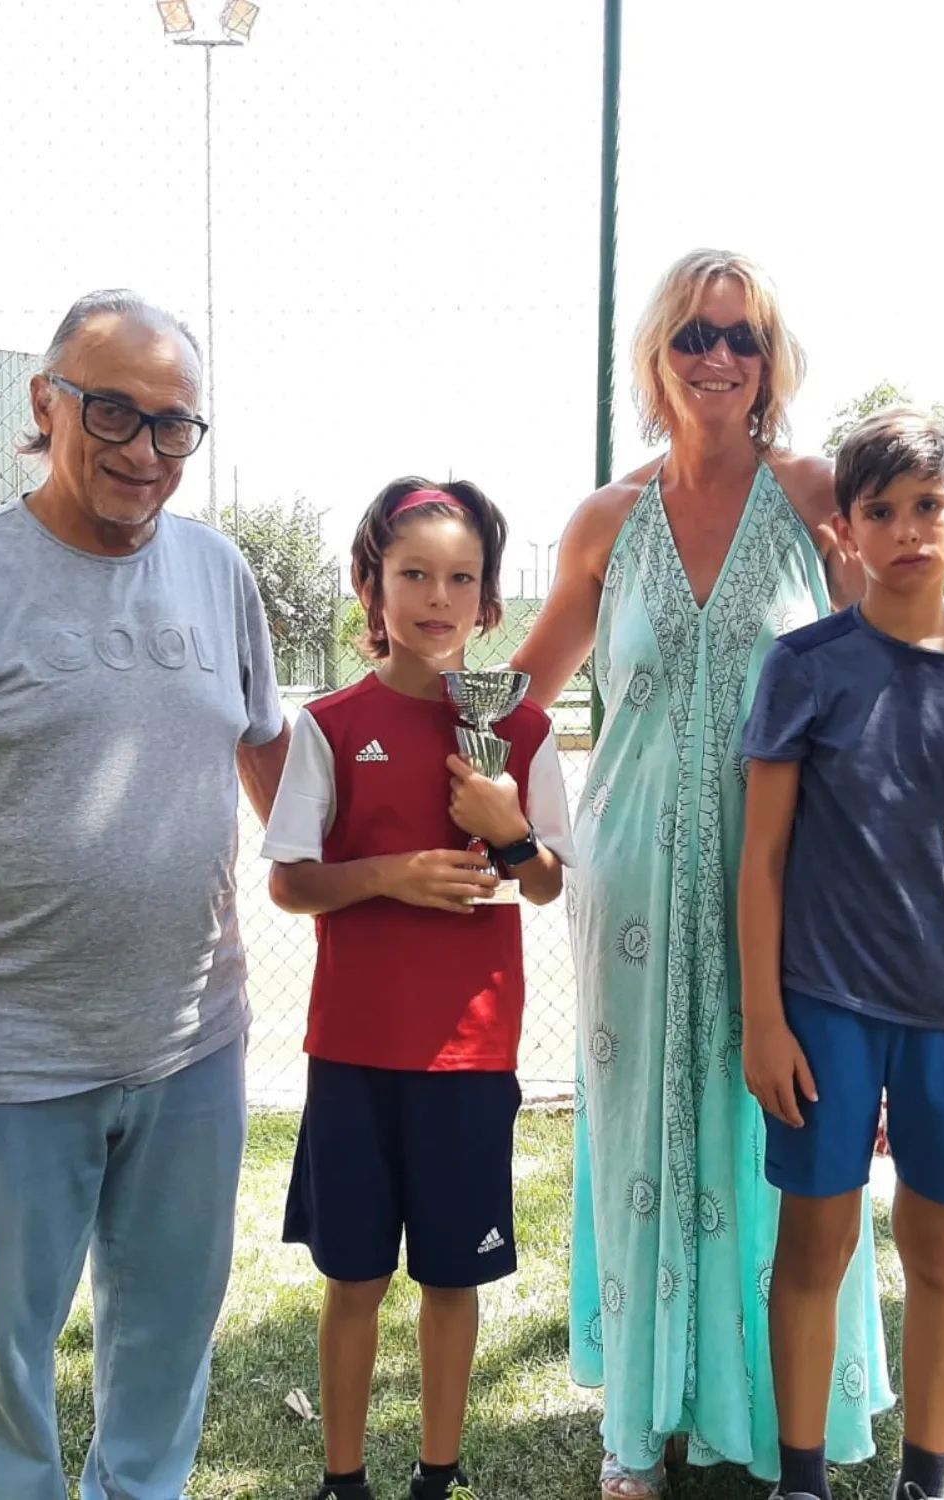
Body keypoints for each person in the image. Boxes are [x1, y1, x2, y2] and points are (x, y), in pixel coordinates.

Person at [513, 248, 891, 1495]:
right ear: (656, 356)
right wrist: (410, 716)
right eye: (693, 335)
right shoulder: (605, 522)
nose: (717, 357)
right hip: (628, 881)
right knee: (640, 1134)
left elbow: (891, 651)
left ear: (771, 361)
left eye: (741, 337)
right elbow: (519, 697)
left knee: (779, 1126)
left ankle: (778, 1417)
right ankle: (645, 1419)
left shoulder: (818, 496)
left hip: (791, 881)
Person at [0, 290, 289, 1499]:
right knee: (6, 1373)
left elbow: (279, 773)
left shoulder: (219, 572)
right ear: (46, 402)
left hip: (193, 1044)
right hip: (7, 1057)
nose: (144, 450)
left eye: (174, 425)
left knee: (169, 1346)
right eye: (113, 412)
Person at [739, 408, 944, 1500]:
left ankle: (926, 1480)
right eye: (879, 511)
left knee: (940, 1252)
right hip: (825, 1004)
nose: (908, 530)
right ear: (845, 529)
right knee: (814, 1246)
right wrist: (764, 1019)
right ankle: (800, 1481)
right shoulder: (805, 666)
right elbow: (763, 860)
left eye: (928, 505)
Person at [263, 478, 573, 1500]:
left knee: (452, 1276)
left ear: (488, 599)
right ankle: (343, 1478)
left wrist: (508, 830)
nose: (438, 598)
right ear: (372, 585)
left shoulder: (523, 732)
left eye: (461, 578)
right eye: (414, 575)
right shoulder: (331, 724)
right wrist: (390, 875)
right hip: (353, 1051)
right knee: (353, 1277)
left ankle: (439, 1473)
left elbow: (546, 882)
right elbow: (290, 881)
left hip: (469, 1054)